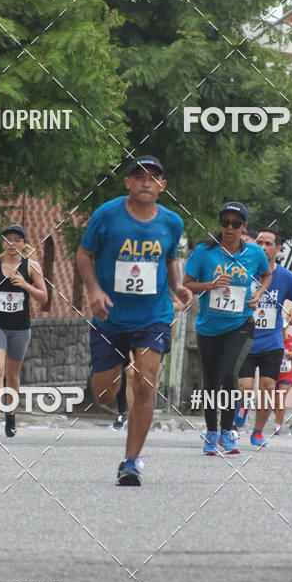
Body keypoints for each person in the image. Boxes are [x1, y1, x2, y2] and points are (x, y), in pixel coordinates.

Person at [76, 155, 192, 486]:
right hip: (110, 317)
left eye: (153, 178)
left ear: (162, 186)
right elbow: (84, 254)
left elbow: (169, 260)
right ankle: (110, 376)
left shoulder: (172, 222)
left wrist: (178, 286)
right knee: (104, 393)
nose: (146, 182)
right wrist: (95, 291)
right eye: (139, 176)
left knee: (145, 382)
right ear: (127, 182)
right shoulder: (107, 215)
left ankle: (131, 462)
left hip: (153, 316)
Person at [183, 202, 271, 456]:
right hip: (209, 327)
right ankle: (211, 434)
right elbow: (186, 283)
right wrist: (210, 284)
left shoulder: (254, 253)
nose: (229, 228)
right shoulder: (204, 251)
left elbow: (266, 275)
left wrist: (259, 294)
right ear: (220, 225)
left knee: (230, 372)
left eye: (235, 224)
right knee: (211, 382)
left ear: (244, 227)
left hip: (240, 324)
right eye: (225, 223)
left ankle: (228, 432)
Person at [238, 229, 292, 446]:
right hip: (244, 339)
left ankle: (257, 431)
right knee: (245, 387)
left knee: (269, 387)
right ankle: (236, 420)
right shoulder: (244, 271)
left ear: (277, 249)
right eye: (259, 242)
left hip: (272, 342)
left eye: (268, 243)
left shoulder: (286, 277)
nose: (263, 247)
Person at [0, 225, 48, 438]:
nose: (12, 244)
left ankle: (10, 413)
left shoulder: (32, 267)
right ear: (3, 243)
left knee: (12, 373)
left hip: (20, 327)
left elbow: (44, 296)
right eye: (8, 239)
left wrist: (25, 286)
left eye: (17, 240)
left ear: (23, 244)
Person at [113, 293, 185, 429]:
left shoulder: (161, 278)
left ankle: (142, 414)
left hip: (155, 332)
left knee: (150, 380)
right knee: (130, 373)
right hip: (129, 329)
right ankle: (129, 416)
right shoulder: (127, 275)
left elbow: (178, 305)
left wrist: (155, 308)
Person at [274, 321, 292, 434]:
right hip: (274, 373)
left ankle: (278, 426)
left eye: (284, 328)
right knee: (273, 401)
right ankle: (279, 418)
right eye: (280, 328)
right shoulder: (274, 340)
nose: (282, 330)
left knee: (281, 396)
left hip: (287, 374)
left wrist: (291, 354)